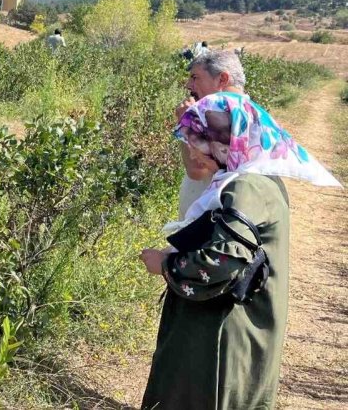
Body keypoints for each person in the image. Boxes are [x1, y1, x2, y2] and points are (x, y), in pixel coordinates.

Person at [139, 92, 340, 410]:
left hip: (224, 334)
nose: (193, 152)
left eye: (199, 141)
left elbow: (225, 261)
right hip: (238, 323)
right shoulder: (256, 178)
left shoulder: (245, 187)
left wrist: (166, 264)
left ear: (224, 142)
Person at [175, 50, 245, 218]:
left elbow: (197, 171)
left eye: (195, 77)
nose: (189, 85)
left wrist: (185, 122)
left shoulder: (225, 118)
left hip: (210, 225)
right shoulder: (249, 114)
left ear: (222, 79)